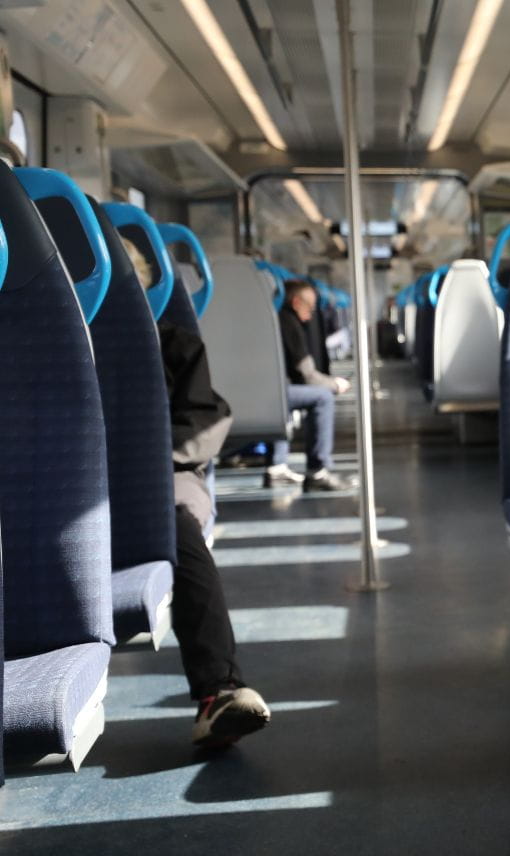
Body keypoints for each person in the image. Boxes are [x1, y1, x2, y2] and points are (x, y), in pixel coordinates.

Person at [123, 236, 272, 748]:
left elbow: (203, 421)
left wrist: (143, 464)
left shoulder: (172, 344)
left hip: (162, 475)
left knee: (177, 529)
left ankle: (219, 691)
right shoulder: (41, 344)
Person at [266, 278, 353, 491]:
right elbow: (308, 376)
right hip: (273, 394)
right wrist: (334, 384)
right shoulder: (289, 324)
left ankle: (277, 466)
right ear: (296, 302)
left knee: (280, 398)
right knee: (322, 398)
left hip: (261, 391)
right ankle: (319, 470)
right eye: (310, 307)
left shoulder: (270, 318)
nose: (312, 313)